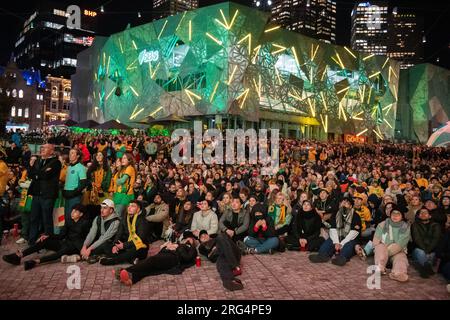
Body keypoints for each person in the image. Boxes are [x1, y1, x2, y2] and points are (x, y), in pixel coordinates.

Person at [2, 204, 90, 270]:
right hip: (66, 243)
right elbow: (60, 235)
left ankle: (36, 262)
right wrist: (47, 235)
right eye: (72, 210)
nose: (72, 213)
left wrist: (84, 250)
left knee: (61, 252)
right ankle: (19, 255)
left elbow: (88, 238)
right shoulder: (69, 221)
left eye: (75, 211)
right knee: (44, 240)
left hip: (75, 247)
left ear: (81, 214)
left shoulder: (85, 223)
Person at [113, 230, 197, 286]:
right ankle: (132, 280)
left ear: (192, 241)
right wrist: (166, 246)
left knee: (151, 260)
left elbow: (187, 258)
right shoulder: (178, 243)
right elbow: (162, 249)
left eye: (190, 239)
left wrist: (177, 247)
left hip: (174, 258)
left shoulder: (192, 248)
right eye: (186, 238)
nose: (187, 240)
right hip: (165, 254)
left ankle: (127, 270)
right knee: (150, 268)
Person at [309, 197, 362, 266]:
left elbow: (354, 233)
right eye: (342, 203)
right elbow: (332, 229)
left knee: (348, 246)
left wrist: (342, 243)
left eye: (346, 203)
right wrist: (336, 242)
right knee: (328, 242)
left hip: (349, 238)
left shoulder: (356, 216)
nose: (343, 204)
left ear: (351, 206)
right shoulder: (336, 214)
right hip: (337, 236)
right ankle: (322, 255)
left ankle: (341, 258)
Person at [28, 144, 62, 244]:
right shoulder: (37, 160)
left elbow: (46, 175)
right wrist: (35, 170)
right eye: (41, 147)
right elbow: (31, 174)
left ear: (52, 151)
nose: (42, 149)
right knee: (34, 218)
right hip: (36, 194)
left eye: (45, 148)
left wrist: (37, 174)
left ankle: (47, 242)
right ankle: (32, 240)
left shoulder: (56, 162)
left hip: (48, 195)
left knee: (46, 219)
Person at [100, 200, 149, 265]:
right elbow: (119, 233)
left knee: (133, 250)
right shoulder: (125, 218)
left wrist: (124, 245)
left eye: (133, 206)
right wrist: (115, 245)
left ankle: (112, 261)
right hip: (127, 244)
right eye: (128, 206)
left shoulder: (142, 221)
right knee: (107, 245)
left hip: (140, 246)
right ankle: (131, 259)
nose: (129, 207)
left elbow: (141, 238)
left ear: (138, 209)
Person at [372, 205, 411, 282]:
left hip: (397, 251)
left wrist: (386, 253)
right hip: (382, 250)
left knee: (401, 259)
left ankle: (398, 273)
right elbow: (376, 240)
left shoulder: (405, 227)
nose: (395, 216)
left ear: (402, 216)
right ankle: (380, 267)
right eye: (393, 214)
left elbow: (400, 243)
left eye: (398, 214)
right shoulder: (382, 224)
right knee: (380, 247)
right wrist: (381, 250)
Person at [81, 199, 121, 263]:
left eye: (105, 208)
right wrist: (84, 246)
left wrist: (89, 249)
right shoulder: (97, 218)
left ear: (111, 210)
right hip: (100, 241)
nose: (102, 210)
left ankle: (95, 255)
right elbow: (92, 233)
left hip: (110, 243)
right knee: (82, 244)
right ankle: (97, 255)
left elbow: (104, 238)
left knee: (104, 246)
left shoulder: (115, 221)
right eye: (101, 208)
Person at [411, 207, 441, 278]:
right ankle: (425, 268)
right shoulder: (415, 225)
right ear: (418, 216)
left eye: (425, 213)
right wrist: (425, 251)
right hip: (418, 249)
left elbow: (435, 239)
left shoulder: (436, 225)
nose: (423, 214)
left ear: (430, 216)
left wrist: (428, 251)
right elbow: (417, 239)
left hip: (432, 250)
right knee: (420, 252)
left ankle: (422, 266)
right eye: (421, 213)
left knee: (431, 255)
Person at [62, 148, 87, 225]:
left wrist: (74, 192)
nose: (70, 155)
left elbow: (83, 183)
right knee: (66, 216)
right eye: (70, 153)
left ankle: (73, 235)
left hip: (75, 196)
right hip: (66, 195)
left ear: (78, 156)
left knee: (73, 217)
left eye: (72, 153)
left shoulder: (81, 167)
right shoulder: (69, 167)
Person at [113, 153, 136, 218]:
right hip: (119, 194)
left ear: (129, 160)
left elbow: (122, 180)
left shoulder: (130, 168)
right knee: (119, 215)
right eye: (122, 158)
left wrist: (116, 181)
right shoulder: (123, 169)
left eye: (125, 158)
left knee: (118, 216)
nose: (122, 160)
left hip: (125, 195)